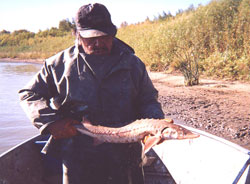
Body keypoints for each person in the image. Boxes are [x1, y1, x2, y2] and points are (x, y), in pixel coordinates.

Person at [19, 3, 164, 184]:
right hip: (77, 157)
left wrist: (156, 125)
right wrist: (51, 123)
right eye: (91, 38)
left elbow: (148, 99)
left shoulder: (133, 64)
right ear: (78, 35)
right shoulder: (57, 65)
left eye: (104, 37)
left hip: (125, 157)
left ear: (113, 34)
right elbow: (28, 94)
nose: (99, 43)